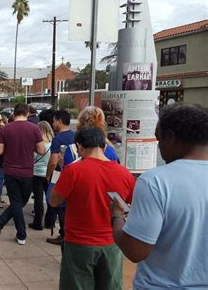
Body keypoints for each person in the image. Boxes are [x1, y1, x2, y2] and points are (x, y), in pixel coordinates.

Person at [111, 103, 208, 289]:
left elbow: (135, 251)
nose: (158, 146)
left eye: (159, 139)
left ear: (170, 136)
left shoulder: (155, 181)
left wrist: (116, 216)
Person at [49, 126, 135, 289]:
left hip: (78, 243)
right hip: (112, 243)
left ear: (79, 146)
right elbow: (133, 206)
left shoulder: (72, 170)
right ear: (104, 147)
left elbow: (54, 201)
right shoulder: (124, 173)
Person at [0, 103, 46, 245]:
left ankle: (1, 223)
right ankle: (21, 234)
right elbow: (41, 151)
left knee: (17, 201)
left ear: (14, 113)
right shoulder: (34, 128)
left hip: (9, 171)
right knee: (22, 201)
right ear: (27, 113)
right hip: (27, 172)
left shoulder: (6, 129)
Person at [45, 110, 75, 245]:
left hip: (60, 175)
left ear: (59, 120)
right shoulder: (75, 135)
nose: (52, 123)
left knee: (58, 206)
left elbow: (53, 161)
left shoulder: (58, 139)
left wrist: (48, 175)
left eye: (54, 120)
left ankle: (64, 235)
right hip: (75, 175)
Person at [28, 121, 54, 230]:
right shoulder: (53, 144)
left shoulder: (36, 144)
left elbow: (30, 158)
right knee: (51, 199)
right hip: (49, 173)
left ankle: (38, 222)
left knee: (38, 199)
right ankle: (49, 222)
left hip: (36, 173)